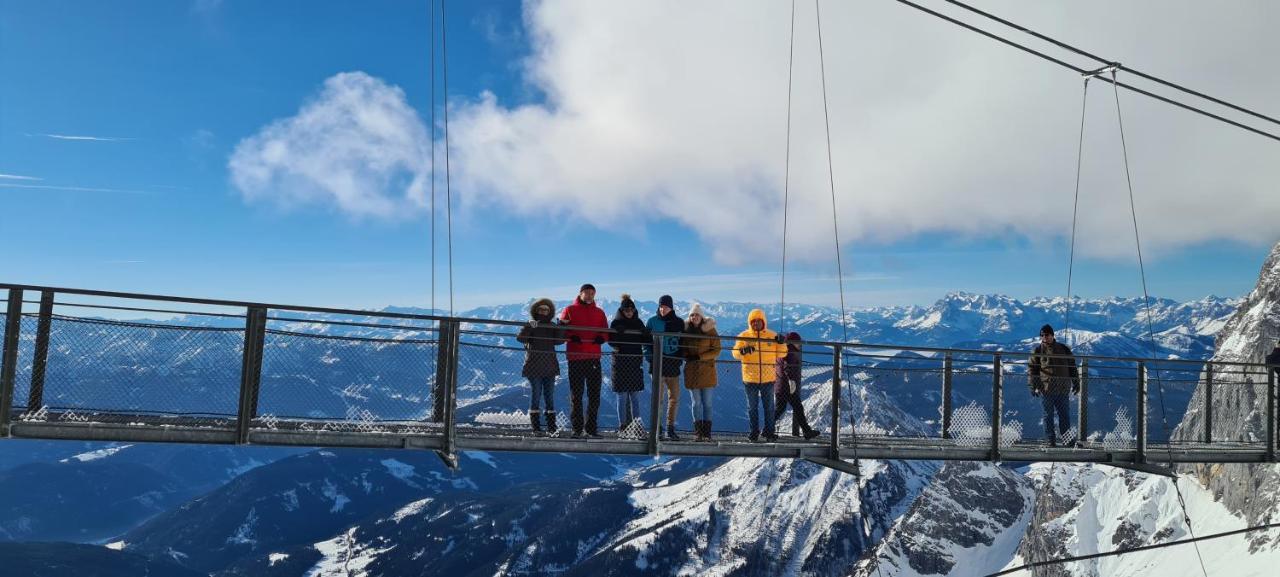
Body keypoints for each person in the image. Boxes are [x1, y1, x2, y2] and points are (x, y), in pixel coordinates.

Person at [558, 283, 609, 438]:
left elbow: (606, 331)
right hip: (576, 357)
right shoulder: (569, 310)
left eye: (592, 293)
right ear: (580, 294)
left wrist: (603, 338)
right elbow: (561, 329)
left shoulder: (600, 312)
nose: (589, 296)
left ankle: (591, 428)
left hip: (594, 357)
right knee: (577, 395)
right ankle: (577, 429)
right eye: (586, 293)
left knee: (594, 395)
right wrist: (569, 336)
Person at [733, 308, 787, 442]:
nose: (756, 323)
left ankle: (769, 432)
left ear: (764, 322)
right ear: (750, 322)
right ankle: (754, 432)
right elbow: (735, 353)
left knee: (768, 408)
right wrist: (743, 351)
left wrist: (781, 343)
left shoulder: (772, 335)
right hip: (750, 378)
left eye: (759, 321)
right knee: (752, 408)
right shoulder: (743, 336)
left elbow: (782, 353)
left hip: (768, 378)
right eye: (753, 321)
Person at [516, 298, 564, 436]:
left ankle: (551, 427)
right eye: (541, 309)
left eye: (546, 309)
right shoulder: (532, 324)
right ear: (536, 310)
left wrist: (560, 327)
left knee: (549, 397)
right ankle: (536, 428)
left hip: (548, 365)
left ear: (550, 311)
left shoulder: (552, 325)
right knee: (536, 395)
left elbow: (559, 341)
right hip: (535, 365)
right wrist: (530, 326)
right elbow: (520, 338)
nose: (544, 312)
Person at [1028, 323, 1080, 447]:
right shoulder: (1037, 350)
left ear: (1052, 335)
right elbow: (1032, 370)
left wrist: (1076, 382)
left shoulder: (1064, 349)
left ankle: (1067, 440)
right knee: (1048, 416)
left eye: (1047, 334)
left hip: (1063, 388)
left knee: (1064, 416)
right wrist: (1032, 385)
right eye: (1042, 335)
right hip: (1046, 389)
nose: (1044, 337)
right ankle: (1050, 441)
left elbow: (1072, 367)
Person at [645, 295, 686, 440]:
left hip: (673, 365)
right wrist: (650, 358)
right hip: (657, 366)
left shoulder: (679, 323)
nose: (663, 309)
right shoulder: (651, 322)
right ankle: (658, 428)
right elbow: (646, 343)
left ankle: (670, 427)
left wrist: (679, 359)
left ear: (671, 307)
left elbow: (683, 343)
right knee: (658, 398)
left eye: (666, 307)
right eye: (661, 306)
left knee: (674, 398)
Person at [609, 294, 649, 438]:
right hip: (621, 363)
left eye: (631, 310)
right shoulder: (615, 324)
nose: (629, 312)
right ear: (622, 310)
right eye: (626, 310)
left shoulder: (639, 323)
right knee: (622, 397)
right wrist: (618, 334)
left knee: (634, 397)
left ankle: (636, 426)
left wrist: (646, 334)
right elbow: (611, 343)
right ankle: (623, 426)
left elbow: (647, 341)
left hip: (634, 363)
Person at [682, 303, 721, 442]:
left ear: (701, 316)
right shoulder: (686, 331)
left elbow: (717, 350)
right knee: (696, 403)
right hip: (692, 371)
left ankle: (707, 433)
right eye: (692, 315)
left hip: (707, 371)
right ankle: (698, 432)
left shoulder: (710, 330)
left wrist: (700, 357)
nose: (694, 317)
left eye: (697, 314)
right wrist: (686, 354)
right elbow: (683, 347)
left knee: (707, 403)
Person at [775, 332, 820, 440]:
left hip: (780, 385)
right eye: (797, 342)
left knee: (781, 409)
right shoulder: (790, 352)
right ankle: (807, 431)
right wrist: (791, 380)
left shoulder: (783, 350)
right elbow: (787, 367)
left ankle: (767, 428)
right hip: (787, 387)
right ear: (792, 342)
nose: (799, 344)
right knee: (797, 407)